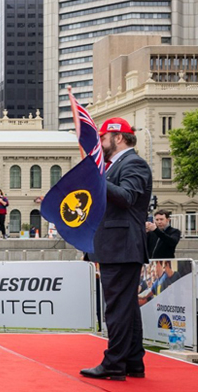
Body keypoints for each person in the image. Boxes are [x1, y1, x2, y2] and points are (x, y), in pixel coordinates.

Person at [81, 118, 152, 382]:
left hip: (121, 246)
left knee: (117, 309)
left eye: (102, 138)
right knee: (127, 307)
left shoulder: (133, 163)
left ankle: (114, 364)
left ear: (118, 137)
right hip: (117, 245)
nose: (100, 143)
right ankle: (133, 361)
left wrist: (97, 176)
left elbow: (126, 197)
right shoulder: (119, 165)